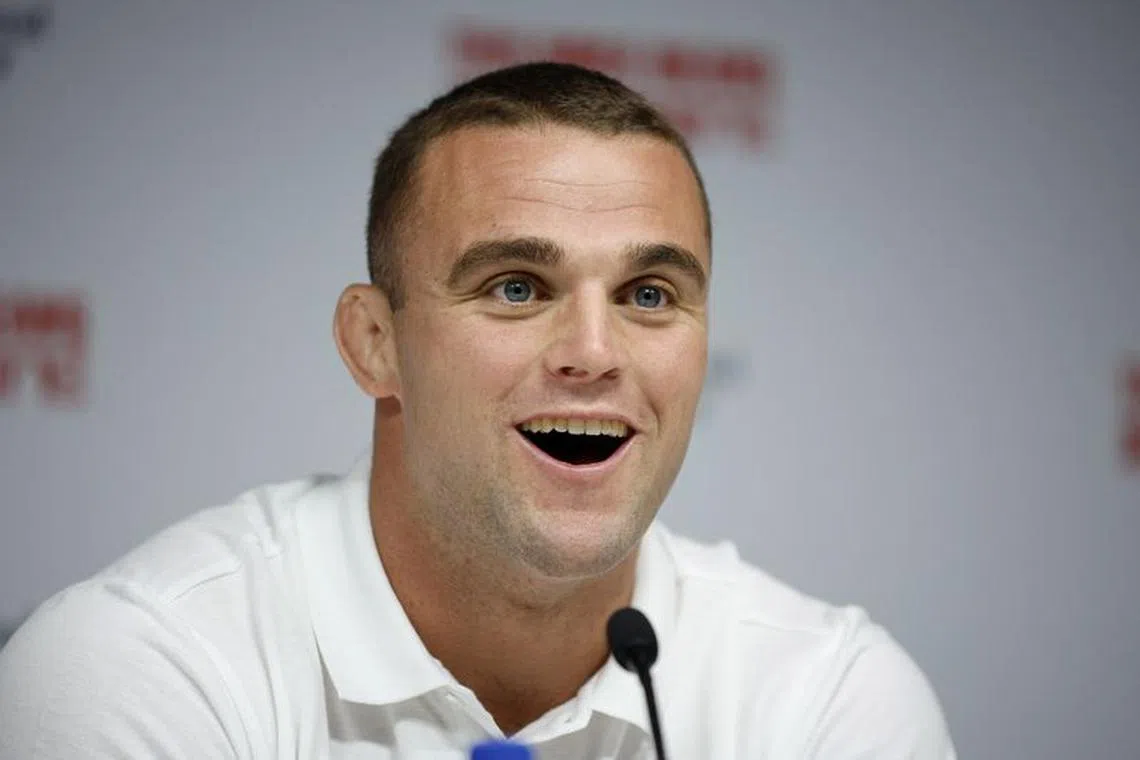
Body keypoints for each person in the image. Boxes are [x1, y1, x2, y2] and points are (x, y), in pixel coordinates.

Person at [0, 61, 956, 758]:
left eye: (650, 295)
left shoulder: (827, 700)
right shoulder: (138, 668)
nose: (593, 352)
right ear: (376, 343)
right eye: (514, 287)